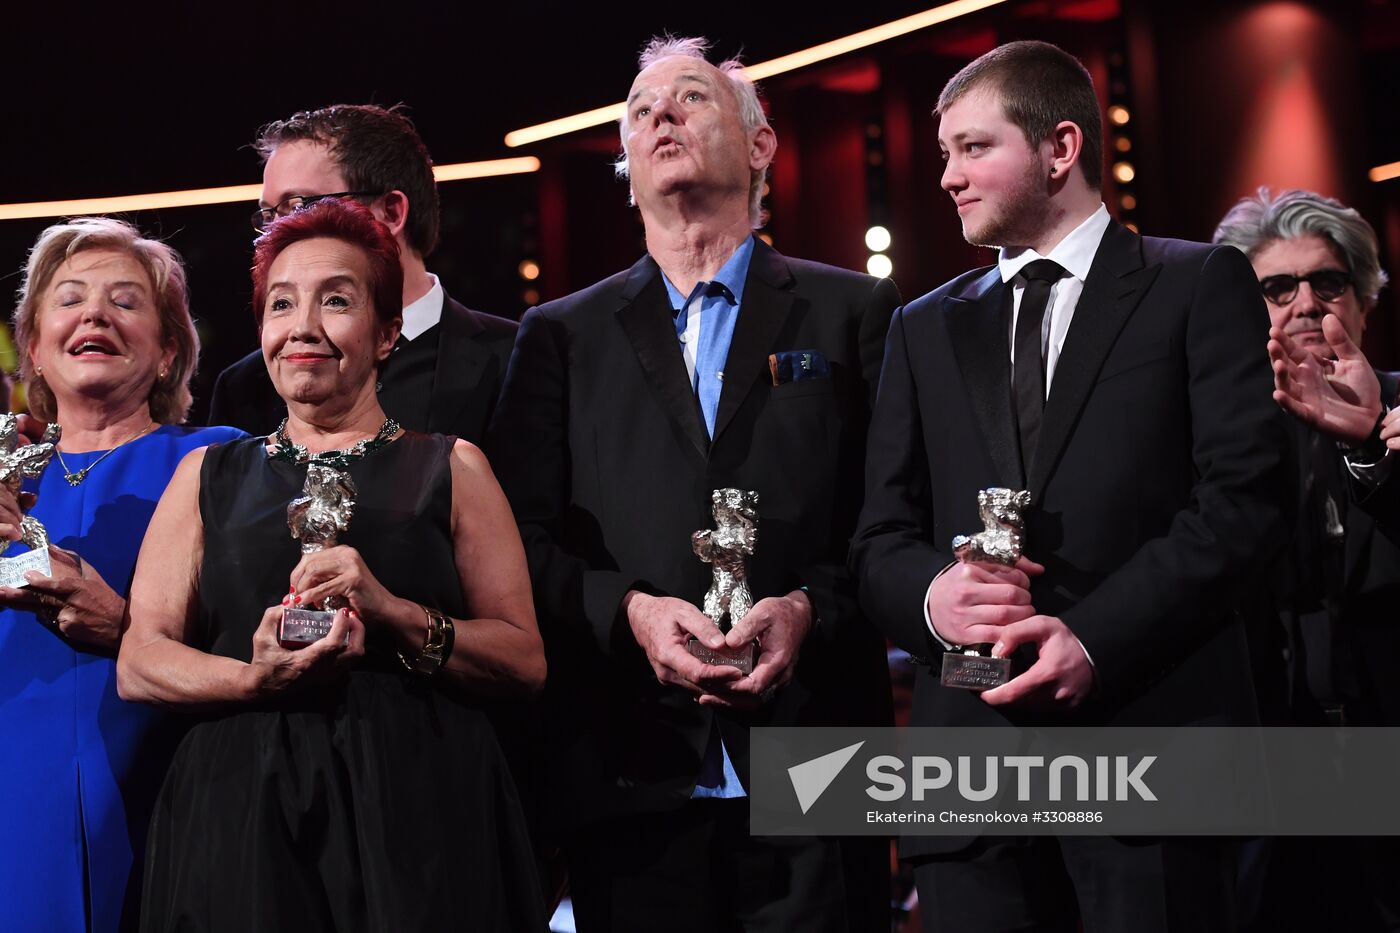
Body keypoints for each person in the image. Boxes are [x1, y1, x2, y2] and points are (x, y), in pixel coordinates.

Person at [850, 40, 1290, 932]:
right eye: (945, 153)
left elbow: (1242, 504)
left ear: (1060, 148)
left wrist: (1092, 639)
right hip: (971, 782)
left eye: (974, 148)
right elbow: (878, 539)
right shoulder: (922, 328)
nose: (948, 176)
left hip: (1150, 753)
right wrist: (936, 599)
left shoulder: (1194, 283)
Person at [488, 35, 899, 933]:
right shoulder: (559, 335)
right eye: (640, 112)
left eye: (690, 98)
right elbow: (517, 539)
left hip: (820, 755)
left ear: (760, 146)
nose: (661, 115)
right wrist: (629, 612)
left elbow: (892, 519)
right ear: (627, 170)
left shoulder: (854, 311)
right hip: (632, 762)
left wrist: (809, 607)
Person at [117, 199, 547, 931]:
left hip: (421, 814)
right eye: (281, 304)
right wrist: (252, 679)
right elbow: (140, 660)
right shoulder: (206, 476)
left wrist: (393, 612)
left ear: (386, 334)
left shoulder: (453, 468)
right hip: (240, 815)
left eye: (337, 301)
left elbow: (523, 660)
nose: (303, 327)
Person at [0, 217, 244, 931]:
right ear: (35, 348)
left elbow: (262, 639)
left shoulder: (221, 462)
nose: (95, 315)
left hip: (168, 791)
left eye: (125, 301)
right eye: (70, 298)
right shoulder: (7, 478)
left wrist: (128, 629)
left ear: (168, 352)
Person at [1214, 189, 1400, 932]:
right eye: (1277, 287)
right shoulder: (1215, 443)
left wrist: (1372, 448)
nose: (1306, 303)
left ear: (1364, 300)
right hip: (1271, 776)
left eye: (1328, 282)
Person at [208, 103, 516, 440]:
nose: (276, 234)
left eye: (299, 207)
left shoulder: (515, 358)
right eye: (269, 216)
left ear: (391, 212)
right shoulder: (243, 387)